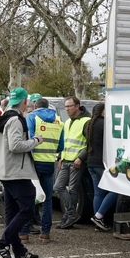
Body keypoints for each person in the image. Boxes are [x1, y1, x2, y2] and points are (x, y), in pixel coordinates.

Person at [0, 87, 43, 258]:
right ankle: (2, 244)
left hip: (6, 170)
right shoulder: (16, 120)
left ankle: (19, 251)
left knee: (11, 212)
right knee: (27, 209)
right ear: (25, 102)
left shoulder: (5, 118)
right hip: (16, 171)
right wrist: (35, 141)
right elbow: (15, 145)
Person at [84, 99, 130, 239]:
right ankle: (99, 216)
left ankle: (98, 221)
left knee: (98, 193)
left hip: (90, 161)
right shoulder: (105, 124)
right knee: (116, 190)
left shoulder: (88, 124)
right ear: (103, 111)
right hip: (102, 162)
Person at [26, 97, 62, 242]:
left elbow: (28, 139)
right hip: (49, 162)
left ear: (35, 106)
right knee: (47, 199)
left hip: (33, 162)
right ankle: (45, 232)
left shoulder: (31, 116)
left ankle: (24, 233)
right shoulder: (58, 120)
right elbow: (61, 146)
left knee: (28, 196)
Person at [54, 96, 90, 229]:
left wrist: (81, 158)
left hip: (77, 161)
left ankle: (68, 218)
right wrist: (60, 158)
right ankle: (72, 213)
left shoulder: (86, 121)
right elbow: (65, 142)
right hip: (66, 160)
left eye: (69, 106)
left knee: (74, 190)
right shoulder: (68, 122)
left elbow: (89, 144)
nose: (67, 109)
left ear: (77, 106)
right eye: (66, 106)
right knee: (58, 187)